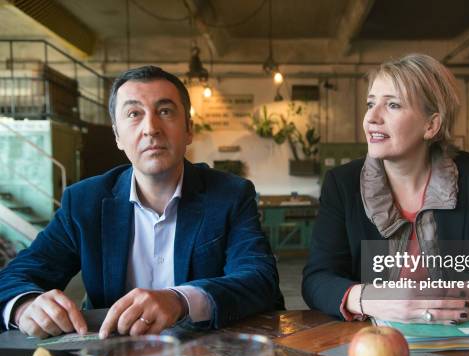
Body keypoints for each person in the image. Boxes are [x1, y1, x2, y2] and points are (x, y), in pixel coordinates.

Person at [0, 65, 284, 338]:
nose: (151, 128)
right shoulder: (84, 201)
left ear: (188, 130)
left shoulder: (231, 195)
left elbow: (259, 280)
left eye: (165, 111)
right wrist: (25, 306)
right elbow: (16, 276)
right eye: (134, 113)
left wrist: (180, 301)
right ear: (117, 136)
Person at [302, 54, 469, 323]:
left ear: (431, 125)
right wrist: (372, 298)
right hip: (369, 342)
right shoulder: (342, 184)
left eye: (393, 105)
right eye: (370, 103)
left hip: (463, 343)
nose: (372, 118)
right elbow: (316, 280)